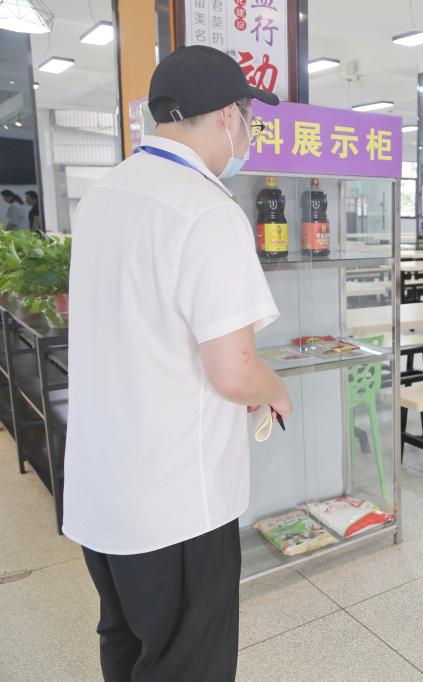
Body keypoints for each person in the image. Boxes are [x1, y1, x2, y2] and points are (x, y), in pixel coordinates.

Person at [62, 45, 288, 682]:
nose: (248, 134)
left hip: (103, 490)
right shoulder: (207, 209)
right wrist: (275, 387)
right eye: (249, 118)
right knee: (189, 664)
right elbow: (235, 372)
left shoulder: (103, 196)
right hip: (176, 502)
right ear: (227, 116)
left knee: (127, 645)